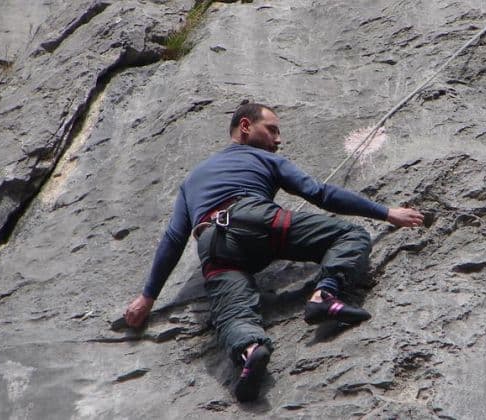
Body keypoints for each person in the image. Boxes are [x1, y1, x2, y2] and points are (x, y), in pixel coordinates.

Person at [123, 102, 424, 402]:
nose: (278, 140)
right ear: (245, 126)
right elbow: (319, 193)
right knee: (350, 235)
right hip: (258, 220)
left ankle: (250, 350)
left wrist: (148, 297)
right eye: (271, 130)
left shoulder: (191, 180)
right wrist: (386, 213)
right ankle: (325, 295)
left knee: (233, 314)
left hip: (214, 244)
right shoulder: (263, 157)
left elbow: (174, 238)